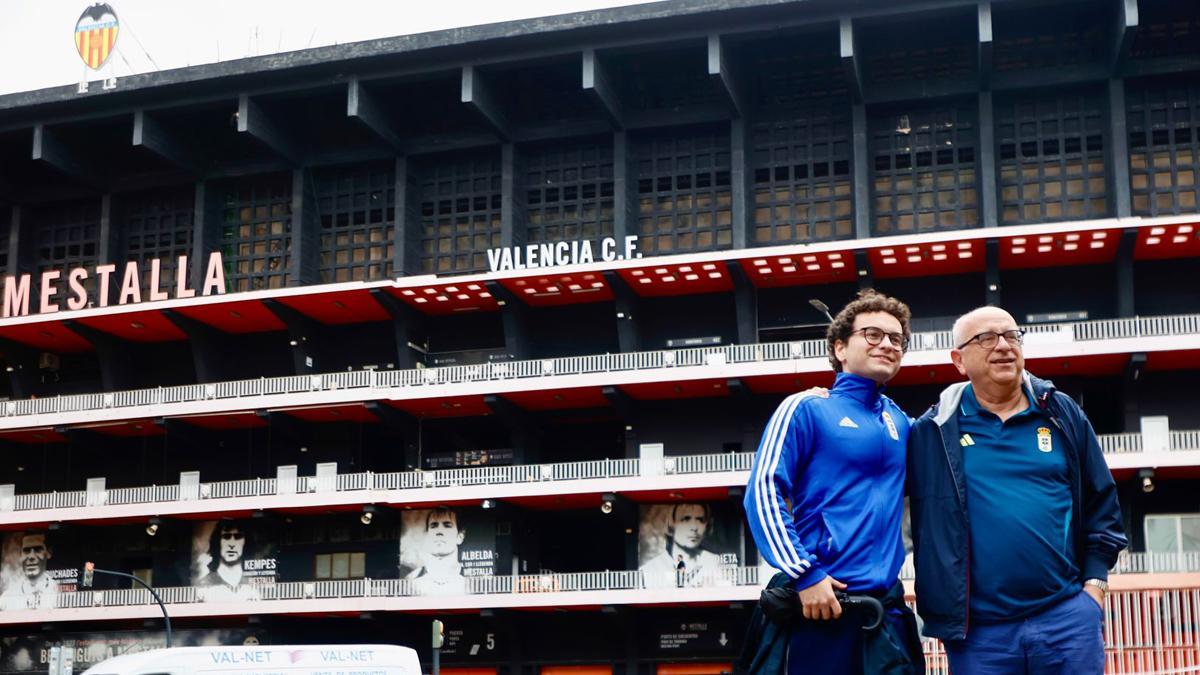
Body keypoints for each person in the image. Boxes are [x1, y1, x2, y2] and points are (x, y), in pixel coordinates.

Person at [907, 306, 1127, 674]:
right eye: (986, 339)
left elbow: (1102, 499)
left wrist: (1095, 587)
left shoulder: (1060, 412)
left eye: (1011, 336)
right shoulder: (932, 430)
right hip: (978, 634)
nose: (1004, 346)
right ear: (959, 360)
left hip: (1066, 617)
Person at [743, 290, 922, 675]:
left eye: (897, 339)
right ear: (840, 347)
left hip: (884, 612)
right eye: (873, 334)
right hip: (820, 605)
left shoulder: (904, 423)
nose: (888, 345)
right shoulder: (806, 407)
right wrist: (804, 573)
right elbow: (762, 493)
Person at [640, 503, 725, 587]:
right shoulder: (649, 570)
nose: (694, 527)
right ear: (670, 524)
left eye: (700, 520)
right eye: (686, 519)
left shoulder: (716, 563)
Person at [408, 507, 467, 596]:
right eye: (433, 526)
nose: (439, 531)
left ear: (460, 537)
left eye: (447, 526)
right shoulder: (410, 582)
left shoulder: (470, 581)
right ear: (427, 535)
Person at [196, 520, 260, 602]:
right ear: (218, 541)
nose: (232, 544)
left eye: (238, 537)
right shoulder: (204, 585)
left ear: (246, 542)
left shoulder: (255, 585)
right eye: (226, 537)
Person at [0, 531, 59, 610]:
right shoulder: (7, 598)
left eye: (38, 550)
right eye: (26, 551)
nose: (31, 556)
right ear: (21, 554)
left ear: (48, 553)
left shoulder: (58, 592)